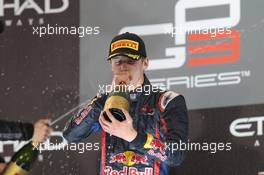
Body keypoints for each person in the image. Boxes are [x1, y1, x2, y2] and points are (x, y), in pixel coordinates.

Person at [63, 32, 188, 175]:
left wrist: (133, 136)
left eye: (130, 61)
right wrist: (102, 100)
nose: (123, 67)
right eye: (117, 61)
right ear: (111, 66)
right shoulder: (104, 102)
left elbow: (176, 155)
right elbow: (70, 136)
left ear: (145, 63)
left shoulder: (167, 101)